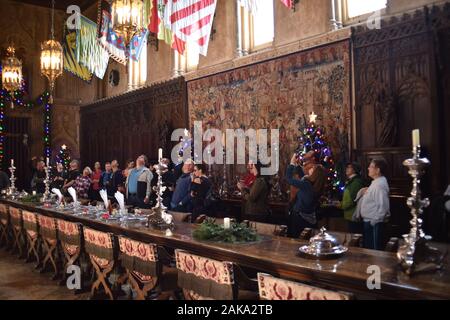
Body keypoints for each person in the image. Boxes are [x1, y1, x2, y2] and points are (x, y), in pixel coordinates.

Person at [286, 154, 326, 237]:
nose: (310, 169)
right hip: (310, 218)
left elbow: (289, 179)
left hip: (299, 217)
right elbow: (304, 177)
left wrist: (292, 164)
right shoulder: (317, 186)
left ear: (315, 174)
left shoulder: (307, 185)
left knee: (296, 239)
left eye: (313, 168)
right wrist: (297, 166)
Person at [358, 159, 390, 250]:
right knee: (369, 249)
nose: (368, 168)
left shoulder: (379, 185)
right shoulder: (376, 183)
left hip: (375, 223)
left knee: (375, 252)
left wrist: (374, 221)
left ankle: (375, 265)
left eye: (371, 166)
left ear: (378, 170)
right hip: (370, 221)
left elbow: (383, 207)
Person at [340, 162, 365, 234]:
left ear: (354, 170)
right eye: (347, 167)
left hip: (354, 215)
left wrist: (341, 205)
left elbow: (353, 199)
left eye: (349, 167)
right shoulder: (351, 181)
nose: (347, 169)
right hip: (350, 215)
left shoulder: (356, 182)